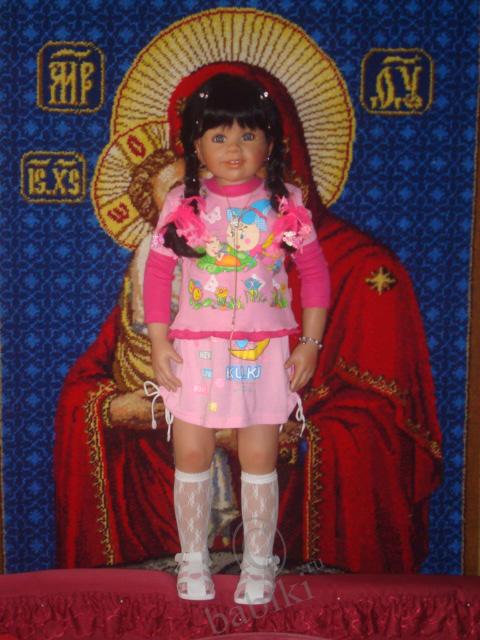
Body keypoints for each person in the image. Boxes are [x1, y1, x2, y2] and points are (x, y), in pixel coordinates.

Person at [143, 73, 330, 604]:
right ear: (196, 145)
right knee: (191, 449)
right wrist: (159, 341)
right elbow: (158, 274)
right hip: (196, 349)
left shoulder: (285, 204)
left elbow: (315, 274)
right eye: (219, 136)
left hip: (261, 351)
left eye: (248, 135)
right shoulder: (183, 202)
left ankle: (258, 564)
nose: (234, 148)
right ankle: (193, 560)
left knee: (259, 452)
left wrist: (309, 343)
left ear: (270, 143)